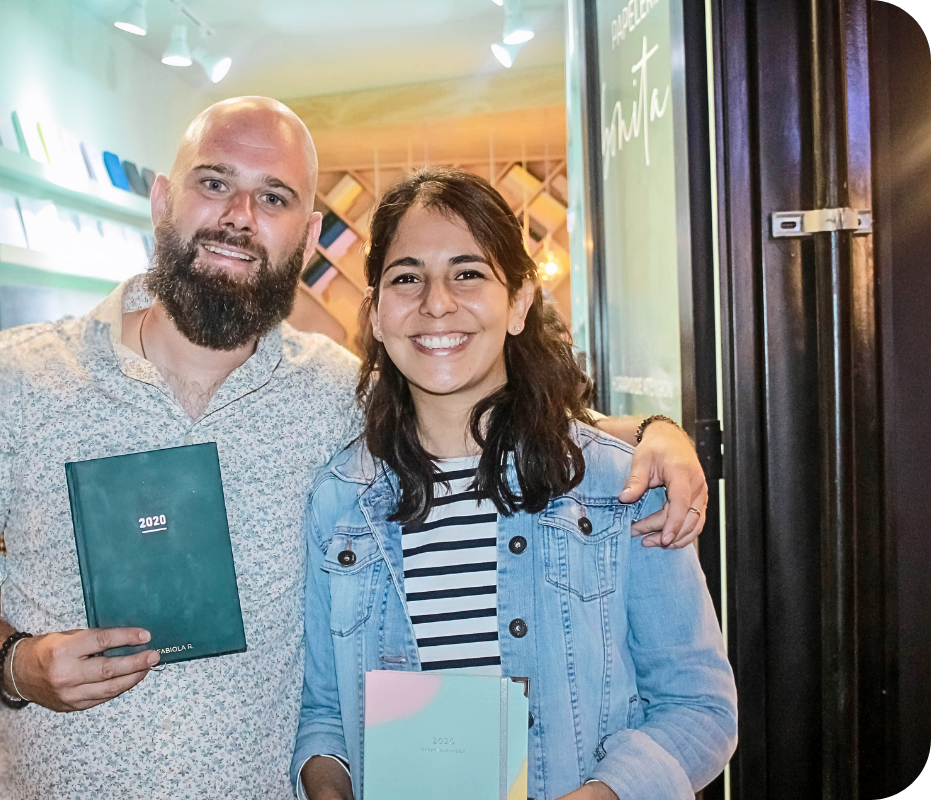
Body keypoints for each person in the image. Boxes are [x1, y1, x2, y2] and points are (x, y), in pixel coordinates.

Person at [0, 98, 711, 799]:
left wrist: (652, 435)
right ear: (163, 198)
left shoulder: (332, 392)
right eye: (214, 183)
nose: (240, 217)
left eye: (273, 197)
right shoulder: (19, 374)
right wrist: (17, 664)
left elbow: (472, 405)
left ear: (308, 235)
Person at [292, 168, 736, 800]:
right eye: (407, 278)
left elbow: (700, 708)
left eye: (468, 273)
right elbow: (324, 714)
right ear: (377, 314)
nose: (436, 302)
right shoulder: (340, 500)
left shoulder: (619, 485)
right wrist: (329, 791)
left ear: (520, 302)